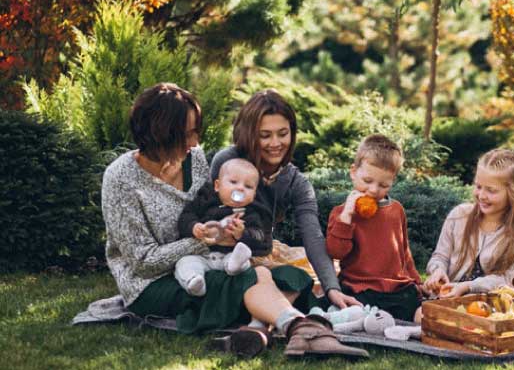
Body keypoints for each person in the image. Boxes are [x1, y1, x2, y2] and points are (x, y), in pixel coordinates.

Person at [102, 83, 366, 358]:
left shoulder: (196, 160)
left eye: (196, 132)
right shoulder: (121, 178)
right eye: (188, 134)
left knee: (292, 275)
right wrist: (205, 240)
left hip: (212, 266)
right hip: (152, 284)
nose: (195, 142)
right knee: (252, 278)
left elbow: (218, 213)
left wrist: (230, 236)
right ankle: (302, 329)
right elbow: (143, 263)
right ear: (161, 133)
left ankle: (258, 330)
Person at [211, 89, 367, 356]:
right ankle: (288, 328)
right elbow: (207, 212)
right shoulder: (229, 163)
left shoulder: (295, 181)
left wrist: (332, 289)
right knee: (276, 277)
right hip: (227, 254)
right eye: (265, 135)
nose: (275, 143)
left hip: (265, 250)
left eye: (283, 134)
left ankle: (258, 329)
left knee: (306, 274)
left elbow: (313, 236)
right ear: (249, 134)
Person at [325, 135, 423, 322]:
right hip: (359, 287)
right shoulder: (341, 213)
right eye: (367, 180)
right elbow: (336, 252)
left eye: (383, 185)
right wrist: (347, 218)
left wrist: (417, 281)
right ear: (353, 172)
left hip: (396, 288)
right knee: (357, 305)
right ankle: (358, 317)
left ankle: (375, 319)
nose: (373, 190)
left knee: (415, 307)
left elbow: (404, 252)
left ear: (392, 181)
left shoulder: (396, 210)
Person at [422, 148, 514, 299]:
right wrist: (437, 270)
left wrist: (467, 287)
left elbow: (503, 280)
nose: (481, 195)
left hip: (487, 304)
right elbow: (440, 257)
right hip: (445, 299)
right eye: (478, 186)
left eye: (491, 190)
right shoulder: (459, 216)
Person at [174, 158, 263, 298]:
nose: (240, 188)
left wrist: (242, 234)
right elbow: (186, 216)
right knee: (185, 263)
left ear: (254, 195)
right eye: (233, 182)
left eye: (248, 187)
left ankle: (236, 266)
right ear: (217, 186)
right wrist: (194, 227)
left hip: (229, 255)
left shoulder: (250, 213)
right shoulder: (205, 201)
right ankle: (194, 281)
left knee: (241, 259)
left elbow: (259, 236)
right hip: (201, 254)